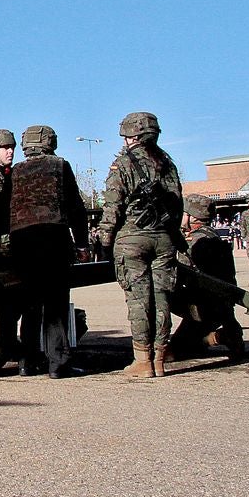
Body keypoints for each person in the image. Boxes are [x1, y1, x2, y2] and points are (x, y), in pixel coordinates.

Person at [97, 111, 183, 379]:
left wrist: (104, 239)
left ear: (131, 136)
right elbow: (178, 203)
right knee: (162, 300)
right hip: (163, 239)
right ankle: (160, 359)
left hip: (132, 239)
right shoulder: (166, 163)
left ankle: (143, 360)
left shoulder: (122, 165)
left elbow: (112, 207)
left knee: (139, 301)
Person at [7, 125, 88, 378]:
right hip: (52, 238)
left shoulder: (16, 171)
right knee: (55, 303)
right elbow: (75, 207)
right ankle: (58, 363)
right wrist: (83, 244)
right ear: (50, 142)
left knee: (30, 303)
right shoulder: (59, 165)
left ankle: (27, 362)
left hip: (21, 241)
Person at [168, 194, 245, 361]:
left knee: (155, 293)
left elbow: (175, 274)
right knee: (190, 344)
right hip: (221, 307)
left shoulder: (194, 241)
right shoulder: (213, 237)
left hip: (204, 308)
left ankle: (157, 344)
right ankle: (225, 334)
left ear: (191, 217)